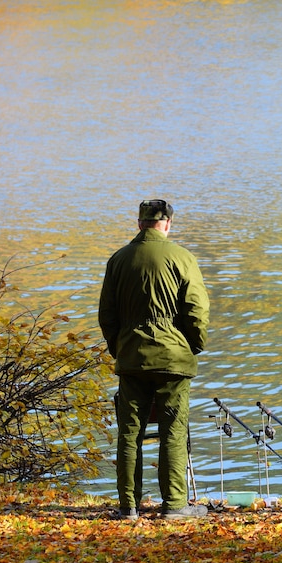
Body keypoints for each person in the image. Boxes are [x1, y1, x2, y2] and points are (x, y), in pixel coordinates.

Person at [99, 199, 210, 520]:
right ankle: (175, 505)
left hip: (132, 358)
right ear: (167, 224)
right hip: (173, 360)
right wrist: (192, 345)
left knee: (129, 432)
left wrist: (120, 348)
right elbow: (196, 311)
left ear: (139, 224)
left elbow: (106, 314)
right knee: (173, 431)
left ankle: (128, 507)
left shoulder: (118, 260)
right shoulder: (182, 258)